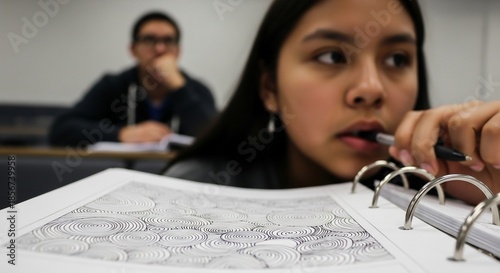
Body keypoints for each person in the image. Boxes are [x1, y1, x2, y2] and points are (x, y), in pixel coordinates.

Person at [164, 0, 500, 206]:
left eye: (397, 59)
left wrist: (490, 194)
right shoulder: (195, 188)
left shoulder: (446, 193)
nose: (370, 89)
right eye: (331, 56)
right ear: (269, 88)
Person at [49, 11, 217, 146]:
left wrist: (179, 87)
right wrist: (121, 134)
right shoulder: (113, 86)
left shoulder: (196, 90)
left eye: (168, 41)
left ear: (178, 51)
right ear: (133, 49)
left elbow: (217, 139)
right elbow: (61, 130)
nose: (160, 49)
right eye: (149, 40)